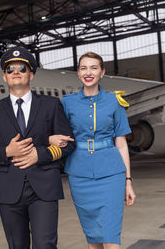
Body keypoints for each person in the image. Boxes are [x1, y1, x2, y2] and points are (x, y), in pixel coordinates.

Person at [0, 46, 76, 249]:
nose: (16, 72)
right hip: (9, 188)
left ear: (30, 74)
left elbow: (68, 144)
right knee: (17, 245)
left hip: (43, 187)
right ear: (4, 77)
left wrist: (38, 154)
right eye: (10, 69)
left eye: (21, 68)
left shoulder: (51, 105)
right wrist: (6, 151)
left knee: (45, 244)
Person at [51, 52, 136, 248]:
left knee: (111, 237)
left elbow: (121, 143)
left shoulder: (115, 102)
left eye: (94, 68)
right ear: (78, 72)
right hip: (79, 176)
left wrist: (128, 181)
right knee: (93, 238)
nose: (88, 72)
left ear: (102, 72)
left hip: (112, 174)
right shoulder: (66, 103)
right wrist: (50, 138)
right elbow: (55, 132)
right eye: (83, 68)